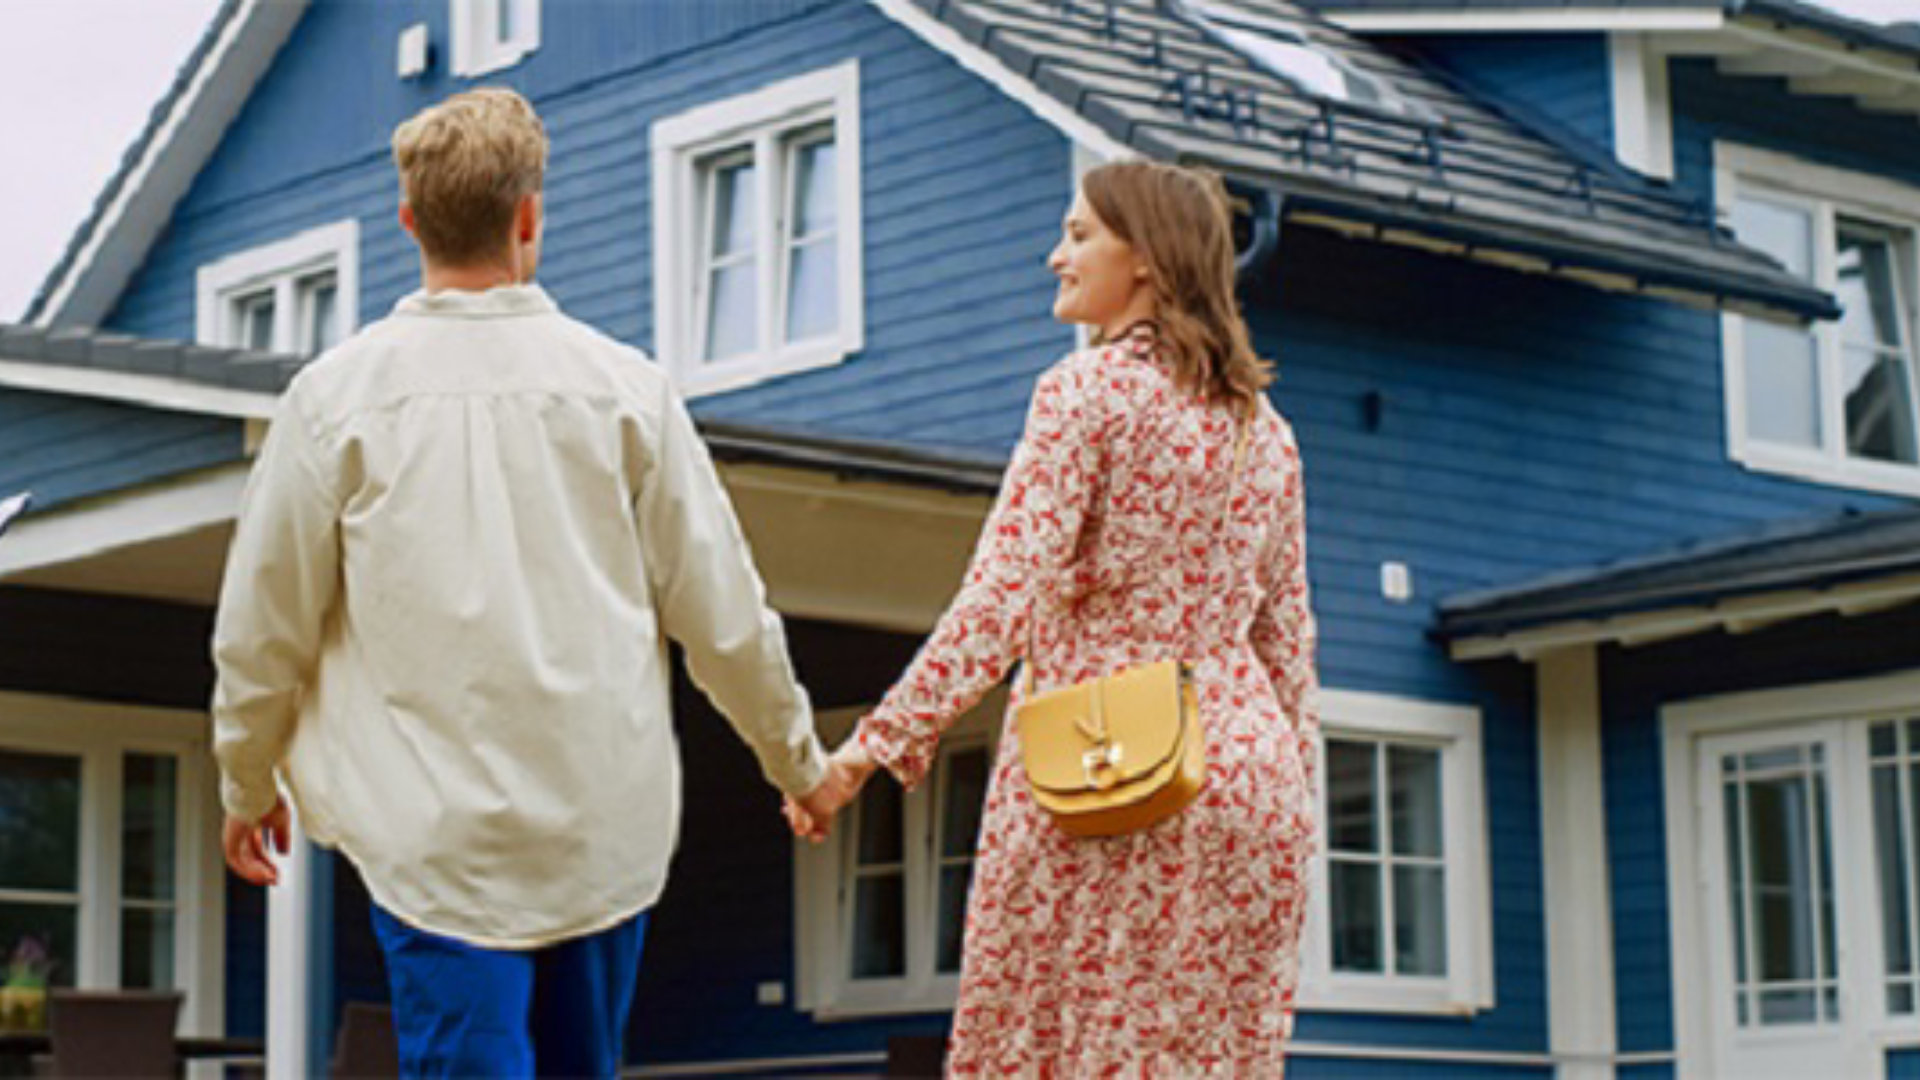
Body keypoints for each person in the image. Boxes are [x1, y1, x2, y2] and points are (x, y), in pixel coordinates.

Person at [212, 88, 857, 1078]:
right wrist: (798, 765)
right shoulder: (626, 391)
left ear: (407, 222)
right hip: (601, 834)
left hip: (434, 845)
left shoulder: (332, 403)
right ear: (529, 218)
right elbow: (723, 614)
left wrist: (246, 779)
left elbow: (265, 628)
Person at [787, 161, 1321, 1074]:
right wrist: (1297, 805)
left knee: (1060, 1051)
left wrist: (870, 748)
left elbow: (1002, 596)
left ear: (1146, 258)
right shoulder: (1263, 429)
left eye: (1078, 236)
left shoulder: (1084, 394)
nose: (1054, 256)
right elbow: (1288, 642)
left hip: (1116, 770)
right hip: (1253, 785)